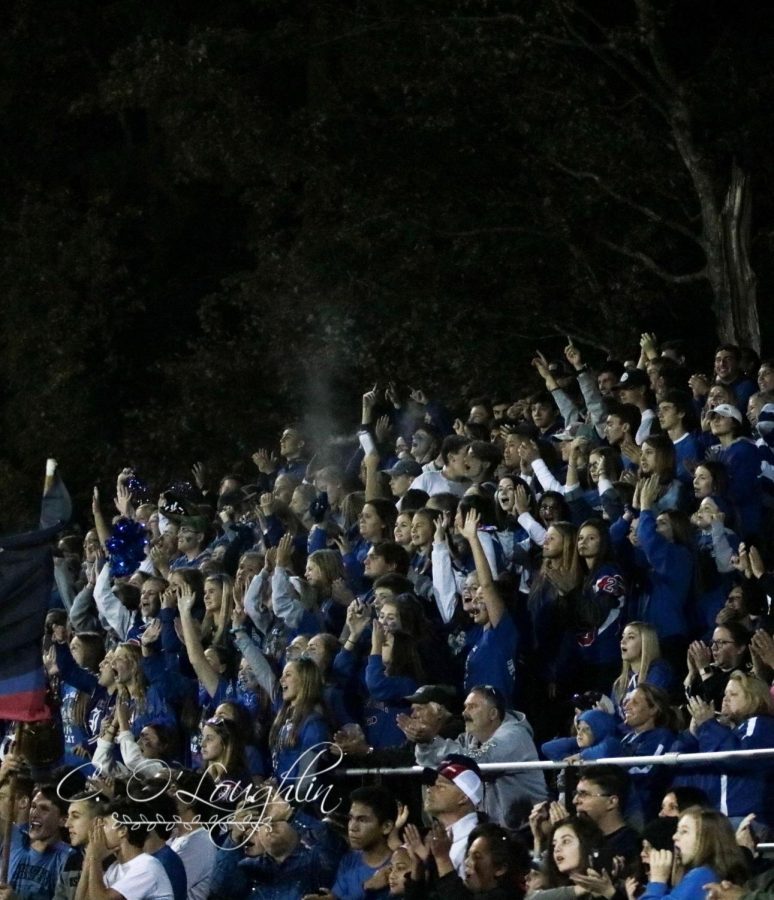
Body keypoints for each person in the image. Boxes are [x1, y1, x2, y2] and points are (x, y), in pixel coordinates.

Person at [414, 685, 548, 828]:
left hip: (528, 828)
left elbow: (473, 763)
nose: (465, 712)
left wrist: (432, 740)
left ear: (493, 714)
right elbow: (438, 763)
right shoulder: (471, 738)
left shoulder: (513, 736)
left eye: (472, 707)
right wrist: (424, 742)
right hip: (495, 829)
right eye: (465, 707)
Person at [686, 671, 774, 827]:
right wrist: (693, 736)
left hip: (747, 821)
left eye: (733, 694)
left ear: (754, 700)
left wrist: (707, 725)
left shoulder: (761, 724)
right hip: (719, 822)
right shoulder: (724, 733)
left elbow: (737, 758)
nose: (725, 699)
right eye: (725, 694)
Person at [303, 785, 396, 900]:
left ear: (386, 826)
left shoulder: (398, 866)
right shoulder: (348, 861)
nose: (352, 827)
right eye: (351, 818)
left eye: (362, 820)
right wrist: (367, 886)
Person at [77, 795, 174, 900]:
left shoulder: (147, 866)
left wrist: (95, 858)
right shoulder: (115, 868)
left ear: (122, 831)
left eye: (104, 824)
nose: (98, 830)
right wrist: (88, 861)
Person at [639, 807, 748, 900]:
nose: (674, 837)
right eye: (677, 831)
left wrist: (657, 881)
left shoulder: (703, 875)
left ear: (706, 839)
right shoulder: (708, 872)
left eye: (684, 831)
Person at [421, 755, 484, 877]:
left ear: (464, 797)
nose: (429, 790)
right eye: (431, 785)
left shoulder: (476, 842)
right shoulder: (428, 837)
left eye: (440, 786)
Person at [612, 622, 673, 720]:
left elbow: (644, 708)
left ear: (646, 643)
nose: (622, 641)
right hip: (626, 734)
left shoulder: (660, 671)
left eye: (631, 637)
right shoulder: (620, 683)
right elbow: (616, 720)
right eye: (622, 637)